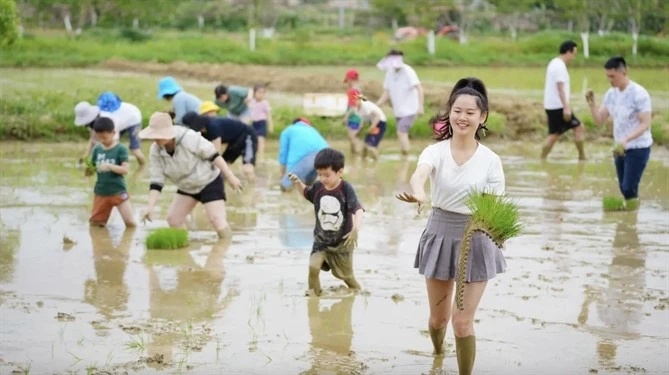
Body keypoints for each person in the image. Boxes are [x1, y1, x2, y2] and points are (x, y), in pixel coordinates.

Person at [396, 78, 506, 375]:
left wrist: (494, 229)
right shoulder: (436, 152)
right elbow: (421, 174)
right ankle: (437, 353)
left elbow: (494, 207)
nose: (463, 117)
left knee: (462, 321)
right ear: (449, 113)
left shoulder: (491, 161)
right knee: (438, 320)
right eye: (457, 110)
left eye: (471, 112)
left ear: (482, 117)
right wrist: (419, 192)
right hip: (440, 232)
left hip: (476, 237)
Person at [138, 112, 243, 239]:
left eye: (159, 135)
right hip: (186, 186)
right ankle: (184, 250)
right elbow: (156, 180)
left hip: (208, 181)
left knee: (217, 220)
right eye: (154, 135)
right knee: (173, 220)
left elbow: (213, 155)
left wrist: (230, 176)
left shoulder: (189, 138)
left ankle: (226, 248)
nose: (156, 139)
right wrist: (150, 207)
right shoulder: (156, 150)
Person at [288, 148, 364, 296]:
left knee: (347, 277)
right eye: (319, 174)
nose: (323, 179)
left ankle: (359, 293)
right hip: (321, 241)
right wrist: (297, 182)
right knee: (313, 267)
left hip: (342, 243)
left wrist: (356, 229)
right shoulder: (318, 187)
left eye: (327, 175)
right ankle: (313, 296)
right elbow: (306, 193)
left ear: (340, 172)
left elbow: (358, 209)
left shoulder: (346, 189)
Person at [586, 56, 653, 209]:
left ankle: (632, 218)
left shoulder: (638, 93)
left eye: (612, 76)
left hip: (638, 147)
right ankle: (630, 218)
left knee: (629, 187)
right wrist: (592, 105)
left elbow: (645, 123)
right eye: (607, 76)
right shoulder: (611, 94)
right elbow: (600, 120)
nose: (610, 80)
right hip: (620, 147)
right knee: (624, 188)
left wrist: (627, 139)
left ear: (624, 73)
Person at [87, 117, 136, 227]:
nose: (102, 141)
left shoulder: (120, 149)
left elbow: (125, 170)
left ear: (113, 133)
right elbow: (91, 170)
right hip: (101, 192)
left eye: (104, 137)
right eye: (99, 138)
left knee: (130, 223)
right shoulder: (97, 149)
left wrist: (110, 166)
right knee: (95, 224)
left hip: (118, 191)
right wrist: (88, 169)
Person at [541, 40, 586, 160]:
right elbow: (560, 87)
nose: (574, 58)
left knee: (554, 134)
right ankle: (582, 157)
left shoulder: (554, 63)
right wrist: (566, 107)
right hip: (558, 106)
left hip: (553, 105)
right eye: (574, 54)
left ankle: (542, 158)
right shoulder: (559, 66)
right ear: (568, 52)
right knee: (578, 127)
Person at [182, 111, 258, 181]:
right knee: (222, 170)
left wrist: (211, 165)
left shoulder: (213, 126)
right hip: (233, 141)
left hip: (247, 135)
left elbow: (216, 151)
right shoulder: (202, 133)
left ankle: (253, 189)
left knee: (247, 169)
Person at [74, 93, 146, 165]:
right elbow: (92, 140)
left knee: (134, 149)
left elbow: (114, 141)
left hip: (133, 118)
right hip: (121, 120)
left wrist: (108, 162)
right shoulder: (93, 122)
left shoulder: (108, 119)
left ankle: (142, 166)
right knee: (105, 142)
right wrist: (85, 157)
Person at [376, 49, 425, 155]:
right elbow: (387, 92)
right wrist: (378, 104)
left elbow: (419, 88)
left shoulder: (408, 71)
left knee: (401, 132)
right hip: (398, 110)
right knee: (403, 133)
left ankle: (406, 156)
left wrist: (420, 106)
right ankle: (406, 153)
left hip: (410, 109)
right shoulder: (390, 72)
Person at [278, 118, 329, 192]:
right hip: (326, 155)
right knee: (309, 185)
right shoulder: (312, 130)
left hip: (308, 158)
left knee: (285, 186)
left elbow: (283, 155)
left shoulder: (288, 130)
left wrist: (283, 175)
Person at [355, 93, 387, 160]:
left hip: (380, 123)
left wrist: (372, 127)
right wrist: (359, 131)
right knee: (365, 146)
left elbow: (378, 116)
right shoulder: (359, 108)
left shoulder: (365, 105)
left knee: (370, 146)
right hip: (373, 123)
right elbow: (363, 120)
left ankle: (377, 162)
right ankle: (363, 163)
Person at [248, 84, 274, 161]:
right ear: (254, 93)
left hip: (261, 123)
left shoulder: (265, 103)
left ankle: (261, 158)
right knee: (253, 141)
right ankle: (254, 157)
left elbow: (268, 115)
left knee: (261, 141)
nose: (261, 94)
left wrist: (270, 126)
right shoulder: (252, 101)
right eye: (259, 92)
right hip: (254, 123)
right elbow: (248, 98)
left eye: (263, 93)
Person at [343, 69, 363, 154]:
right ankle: (355, 156)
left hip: (353, 117)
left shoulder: (352, 91)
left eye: (347, 81)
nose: (347, 83)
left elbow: (353, 107)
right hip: (358, 116)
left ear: (350, 80)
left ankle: (358, 158)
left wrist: (346, 117)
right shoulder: (358, 90)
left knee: (353, 138)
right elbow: (360, 104)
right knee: (353, 138)